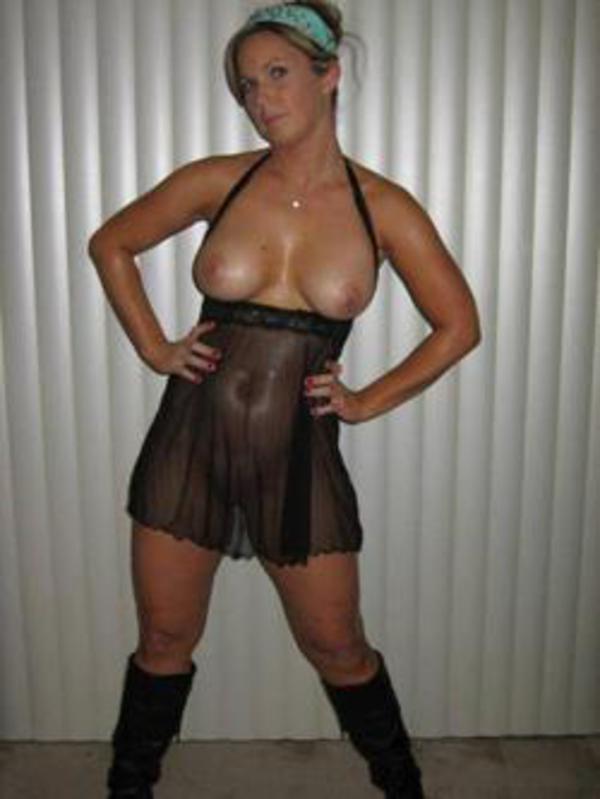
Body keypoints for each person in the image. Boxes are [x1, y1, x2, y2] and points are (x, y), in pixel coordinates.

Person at [88, 2, 481, 797]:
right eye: (247, 84)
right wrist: (155, 347)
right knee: (163, 637)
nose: (261, 99)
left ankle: (401, 782)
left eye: (277, 74)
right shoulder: (219, 180)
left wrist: (366, 400)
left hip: (297, 460)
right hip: (188, 448)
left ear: (329, 74)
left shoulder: (383, 207)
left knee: (339, 645)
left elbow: (459, 325)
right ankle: (128, 786)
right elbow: (112, 243)